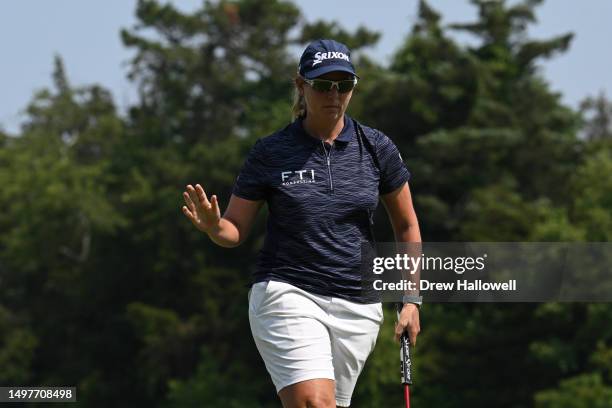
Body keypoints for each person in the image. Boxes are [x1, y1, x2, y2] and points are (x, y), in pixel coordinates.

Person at [182, 39, 421, 408]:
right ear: (301, 86)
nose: (334, 94)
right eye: (323, 85)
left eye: (343, 85)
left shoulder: (376, 148)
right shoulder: (271, 151)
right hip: (288, 291)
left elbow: (406, 227)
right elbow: (234, 229)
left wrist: (411, 299)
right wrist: (214, 227)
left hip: (358, 306)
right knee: (314, 403)